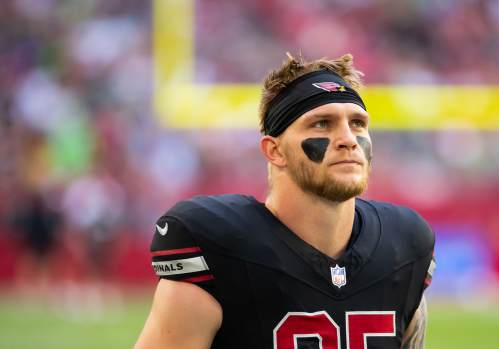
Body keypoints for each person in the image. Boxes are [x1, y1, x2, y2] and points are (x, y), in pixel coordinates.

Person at [135, 53, 436, 349]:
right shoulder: (218, 247)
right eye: (321, 124)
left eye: (357, 123)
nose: (348, 138)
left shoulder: (403, 247)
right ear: (275, 151)